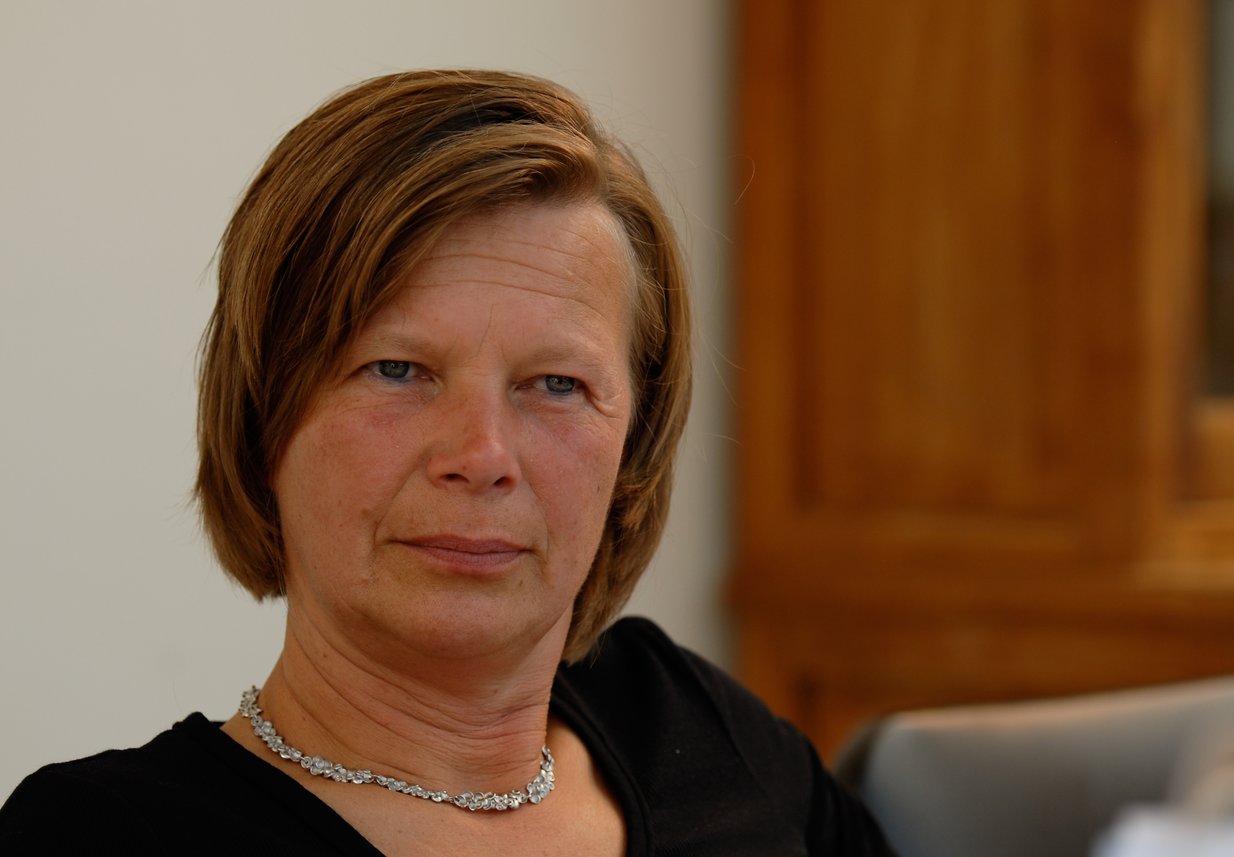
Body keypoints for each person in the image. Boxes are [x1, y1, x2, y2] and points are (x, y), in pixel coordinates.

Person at [0, 69, 892, 855]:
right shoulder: (101, 834)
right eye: (398, 370)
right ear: (263, 416)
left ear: (635, 447)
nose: (482, 456)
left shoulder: (688, 719)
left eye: (556, 384)